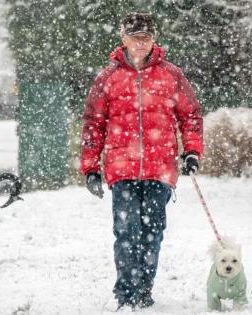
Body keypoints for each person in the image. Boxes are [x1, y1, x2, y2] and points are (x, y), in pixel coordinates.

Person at [79, 12, 204, 310]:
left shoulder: (171, 75)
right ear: (123, 38)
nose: (140, 43)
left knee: (152, 232)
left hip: (160, 169)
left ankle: (144, 289)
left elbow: (190, 115)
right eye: (134, 38)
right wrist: (90, 168)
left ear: (154, 39)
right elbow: (93, 125)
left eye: (145, 38)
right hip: (122, 169)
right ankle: (125, 292)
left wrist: (192, 151)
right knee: (126, 232)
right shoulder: (107, 77)